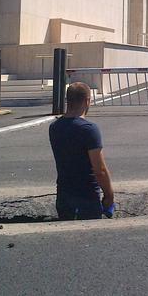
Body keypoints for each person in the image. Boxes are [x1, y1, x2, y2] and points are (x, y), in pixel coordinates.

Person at [49, 82, 115, 220]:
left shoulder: (54, 127)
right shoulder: (89, 129)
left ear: (68, 100)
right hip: (87, 198)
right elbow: (100, 170)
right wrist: (109, 196)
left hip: (64, 196)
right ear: (87, 101)